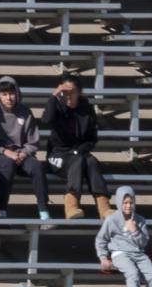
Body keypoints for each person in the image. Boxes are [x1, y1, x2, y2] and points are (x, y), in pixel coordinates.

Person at [40, 74, 109, 221]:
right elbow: (46, 120)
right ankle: (71, 206)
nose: (68, 95)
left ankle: (104, 208)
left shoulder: (87, 109)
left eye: (72, 91)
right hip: (57, 155)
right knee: (78, 161)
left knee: (92, 162)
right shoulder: (56, 107)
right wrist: (54, 96)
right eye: (65, 92)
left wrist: (79, 150)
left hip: (78, 153)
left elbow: (92, 138)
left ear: (79, 92)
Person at [0, 75, 48, 219]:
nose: (8, 98)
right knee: (7, 165)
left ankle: (44, 211)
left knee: (37, 167)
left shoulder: (26, 112)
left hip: (22, 155)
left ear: (17, 93)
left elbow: (33, 141)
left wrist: (23, 153)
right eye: (4, 94)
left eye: (11, 93)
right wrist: (6, 152)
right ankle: (2, 210)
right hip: (1, 156)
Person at [93, 184, 152, 287]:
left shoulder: (140, 220)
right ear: (119, 203)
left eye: (131, 202)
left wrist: (135, 231)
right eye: (125, 203)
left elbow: (144, 242)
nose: (128, 206)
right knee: (132, 273)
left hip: (138, 253)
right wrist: (103, 257)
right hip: (120, 253)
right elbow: (101, 239)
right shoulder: (112, 220)